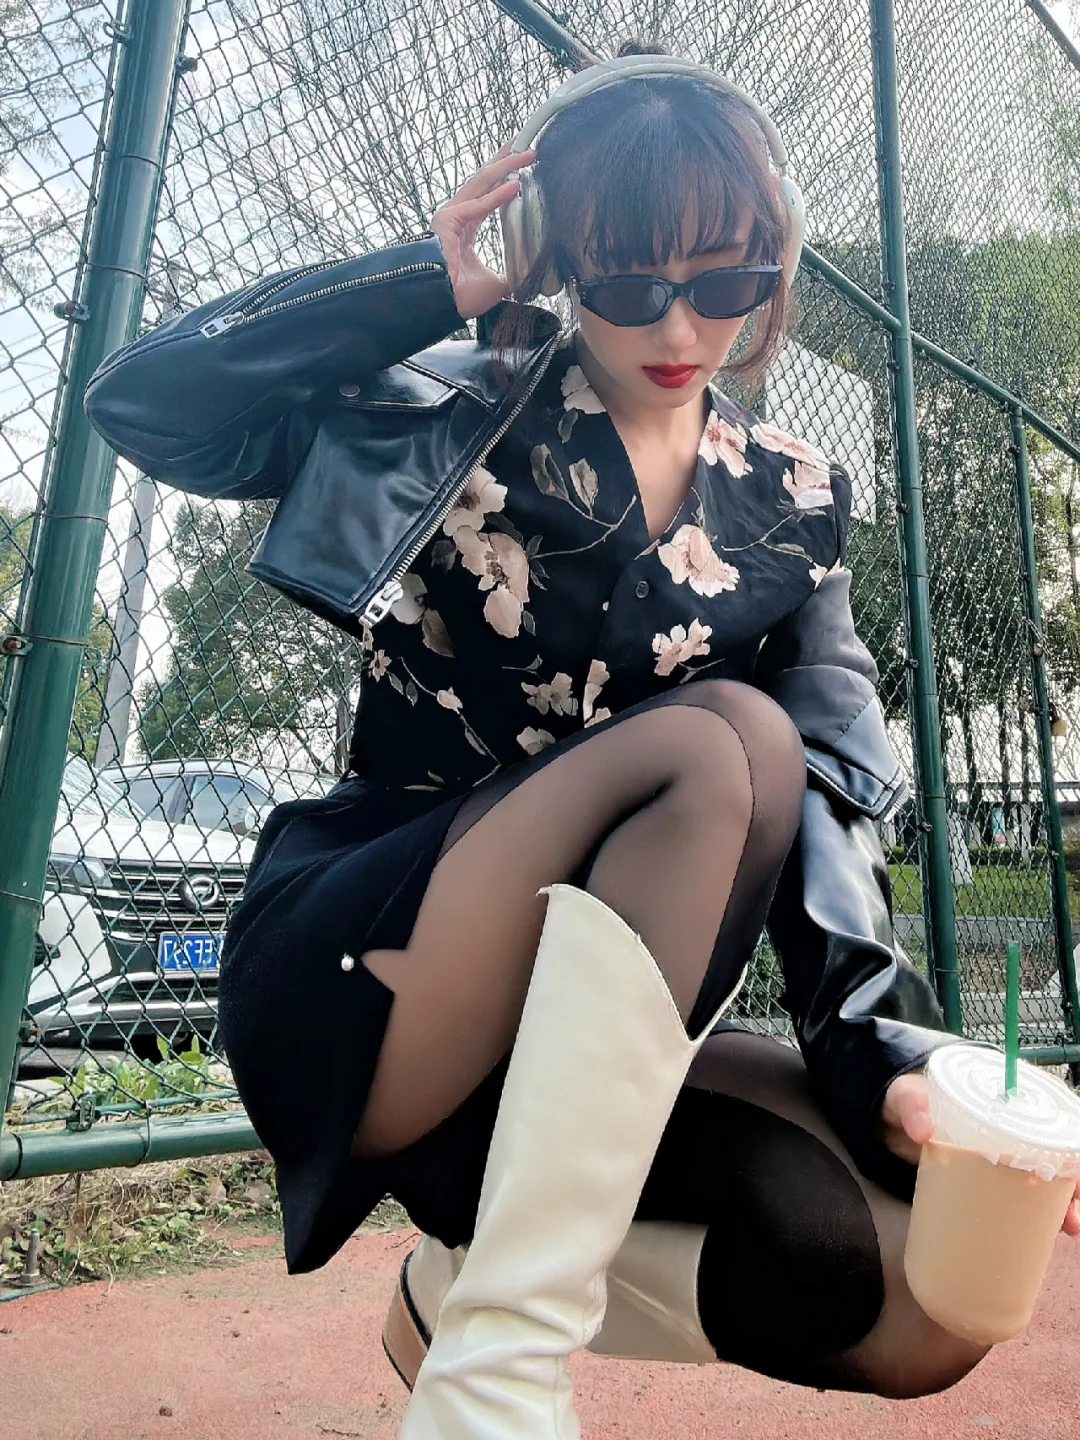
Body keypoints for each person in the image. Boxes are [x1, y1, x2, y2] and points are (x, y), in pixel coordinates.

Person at [85, 44, 1080, 1440]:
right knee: (722, 743)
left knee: (923, 1298)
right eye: (626, 283)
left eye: (723, 281)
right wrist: (417, 287)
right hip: (380, 981)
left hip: (574, 1064)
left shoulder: (794, 499)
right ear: (562, 263)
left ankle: (468, 1293)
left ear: (772, 268)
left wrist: (889, 1055)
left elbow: (831, 783)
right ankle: (498, 1382)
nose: (678, 323)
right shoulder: (444, 402)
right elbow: (145, 406)